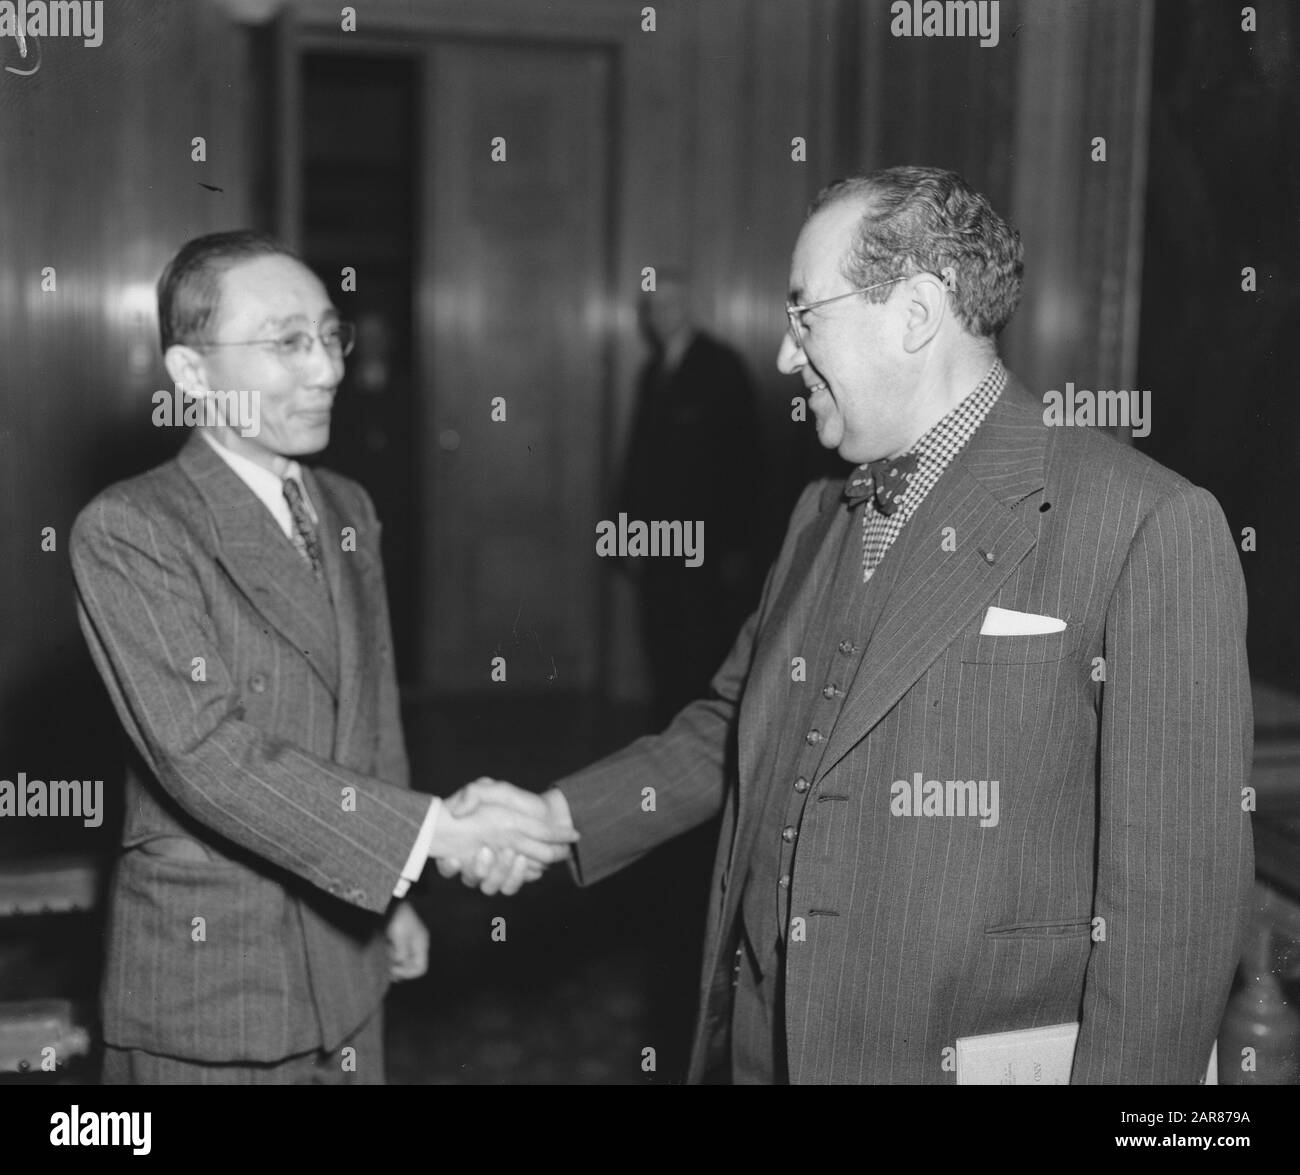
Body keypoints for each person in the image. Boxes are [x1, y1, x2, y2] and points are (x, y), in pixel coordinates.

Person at [449, 167, 1254, 1085]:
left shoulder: (1145, 523)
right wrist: (557, 818)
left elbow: (1176, 920)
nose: (787, 355)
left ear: (913, 314)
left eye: (805, 314)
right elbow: (730, 727)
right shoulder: (817, 510)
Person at [71, 232, 576, 1084]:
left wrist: (392, 900)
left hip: (347, 968)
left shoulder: (348, 505)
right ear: (192, 375)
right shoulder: (133, 529)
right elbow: (208, 758)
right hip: (214, 994)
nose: (329, 369)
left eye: (331, 335)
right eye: (286, 343)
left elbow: (370, 716)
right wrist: (436, 834)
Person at [620, 270, 765, 727]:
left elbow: (746, 464)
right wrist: (627, 535)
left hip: (707, 545)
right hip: (656, 541)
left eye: (671, 306)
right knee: (661, 642)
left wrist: (737, 547)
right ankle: (666, 739)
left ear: (689, 309)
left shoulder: (722, 367)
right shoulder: (652, 372)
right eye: (653, 307)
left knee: (700, 648)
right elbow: (638, 461)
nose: (661, 317)